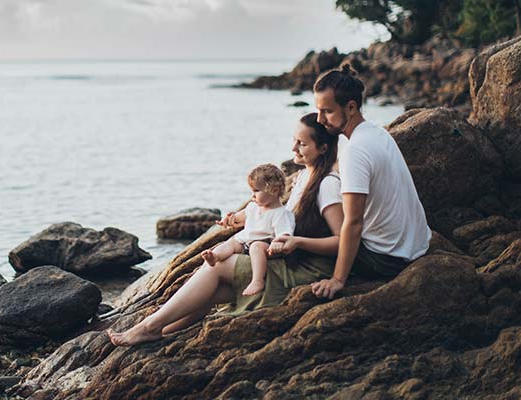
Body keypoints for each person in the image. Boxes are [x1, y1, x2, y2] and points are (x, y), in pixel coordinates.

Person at [107, 113, 343, 346]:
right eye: (294, 140)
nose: (293, 147)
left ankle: (148, 327)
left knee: (217, 267)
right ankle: (164, 330)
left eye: (302, 143)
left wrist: (299, 242)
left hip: (306, 269)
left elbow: (342, 242)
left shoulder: (327, 185)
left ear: (322, 148)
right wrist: (242, 220)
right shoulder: (303, 176)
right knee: (213, 289)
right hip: (288, 259)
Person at [310, 63, 432, 300]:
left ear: (351, 107)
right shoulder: (376, 133)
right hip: (416, 246)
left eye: (327, 111)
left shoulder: (355, 151)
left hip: (387, 259)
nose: (320, 119)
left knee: (313, 235)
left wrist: (337, 280)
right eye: (318, 110)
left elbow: (354, 224)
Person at [201, 164, 295, 297]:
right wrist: (228, 220)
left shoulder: (280, 213)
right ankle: (215, 257)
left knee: (256, 247)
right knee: (231, 242)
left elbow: (284, 233)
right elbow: (238, 217)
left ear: (273, 190)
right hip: (246, 241)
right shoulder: (253, 207)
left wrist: (278, 243)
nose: (252, 196)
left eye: (256, 191)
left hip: (266, 246)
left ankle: (257, 280)